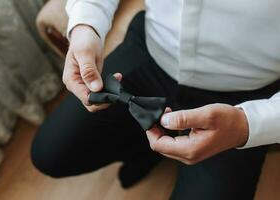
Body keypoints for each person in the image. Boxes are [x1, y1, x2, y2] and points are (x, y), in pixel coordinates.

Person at [31, 1, 280, 199]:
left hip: (246, 93)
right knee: (49, 153)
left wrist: (250, 124)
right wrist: (86, 23)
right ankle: (147, 147)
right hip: (151, 50)